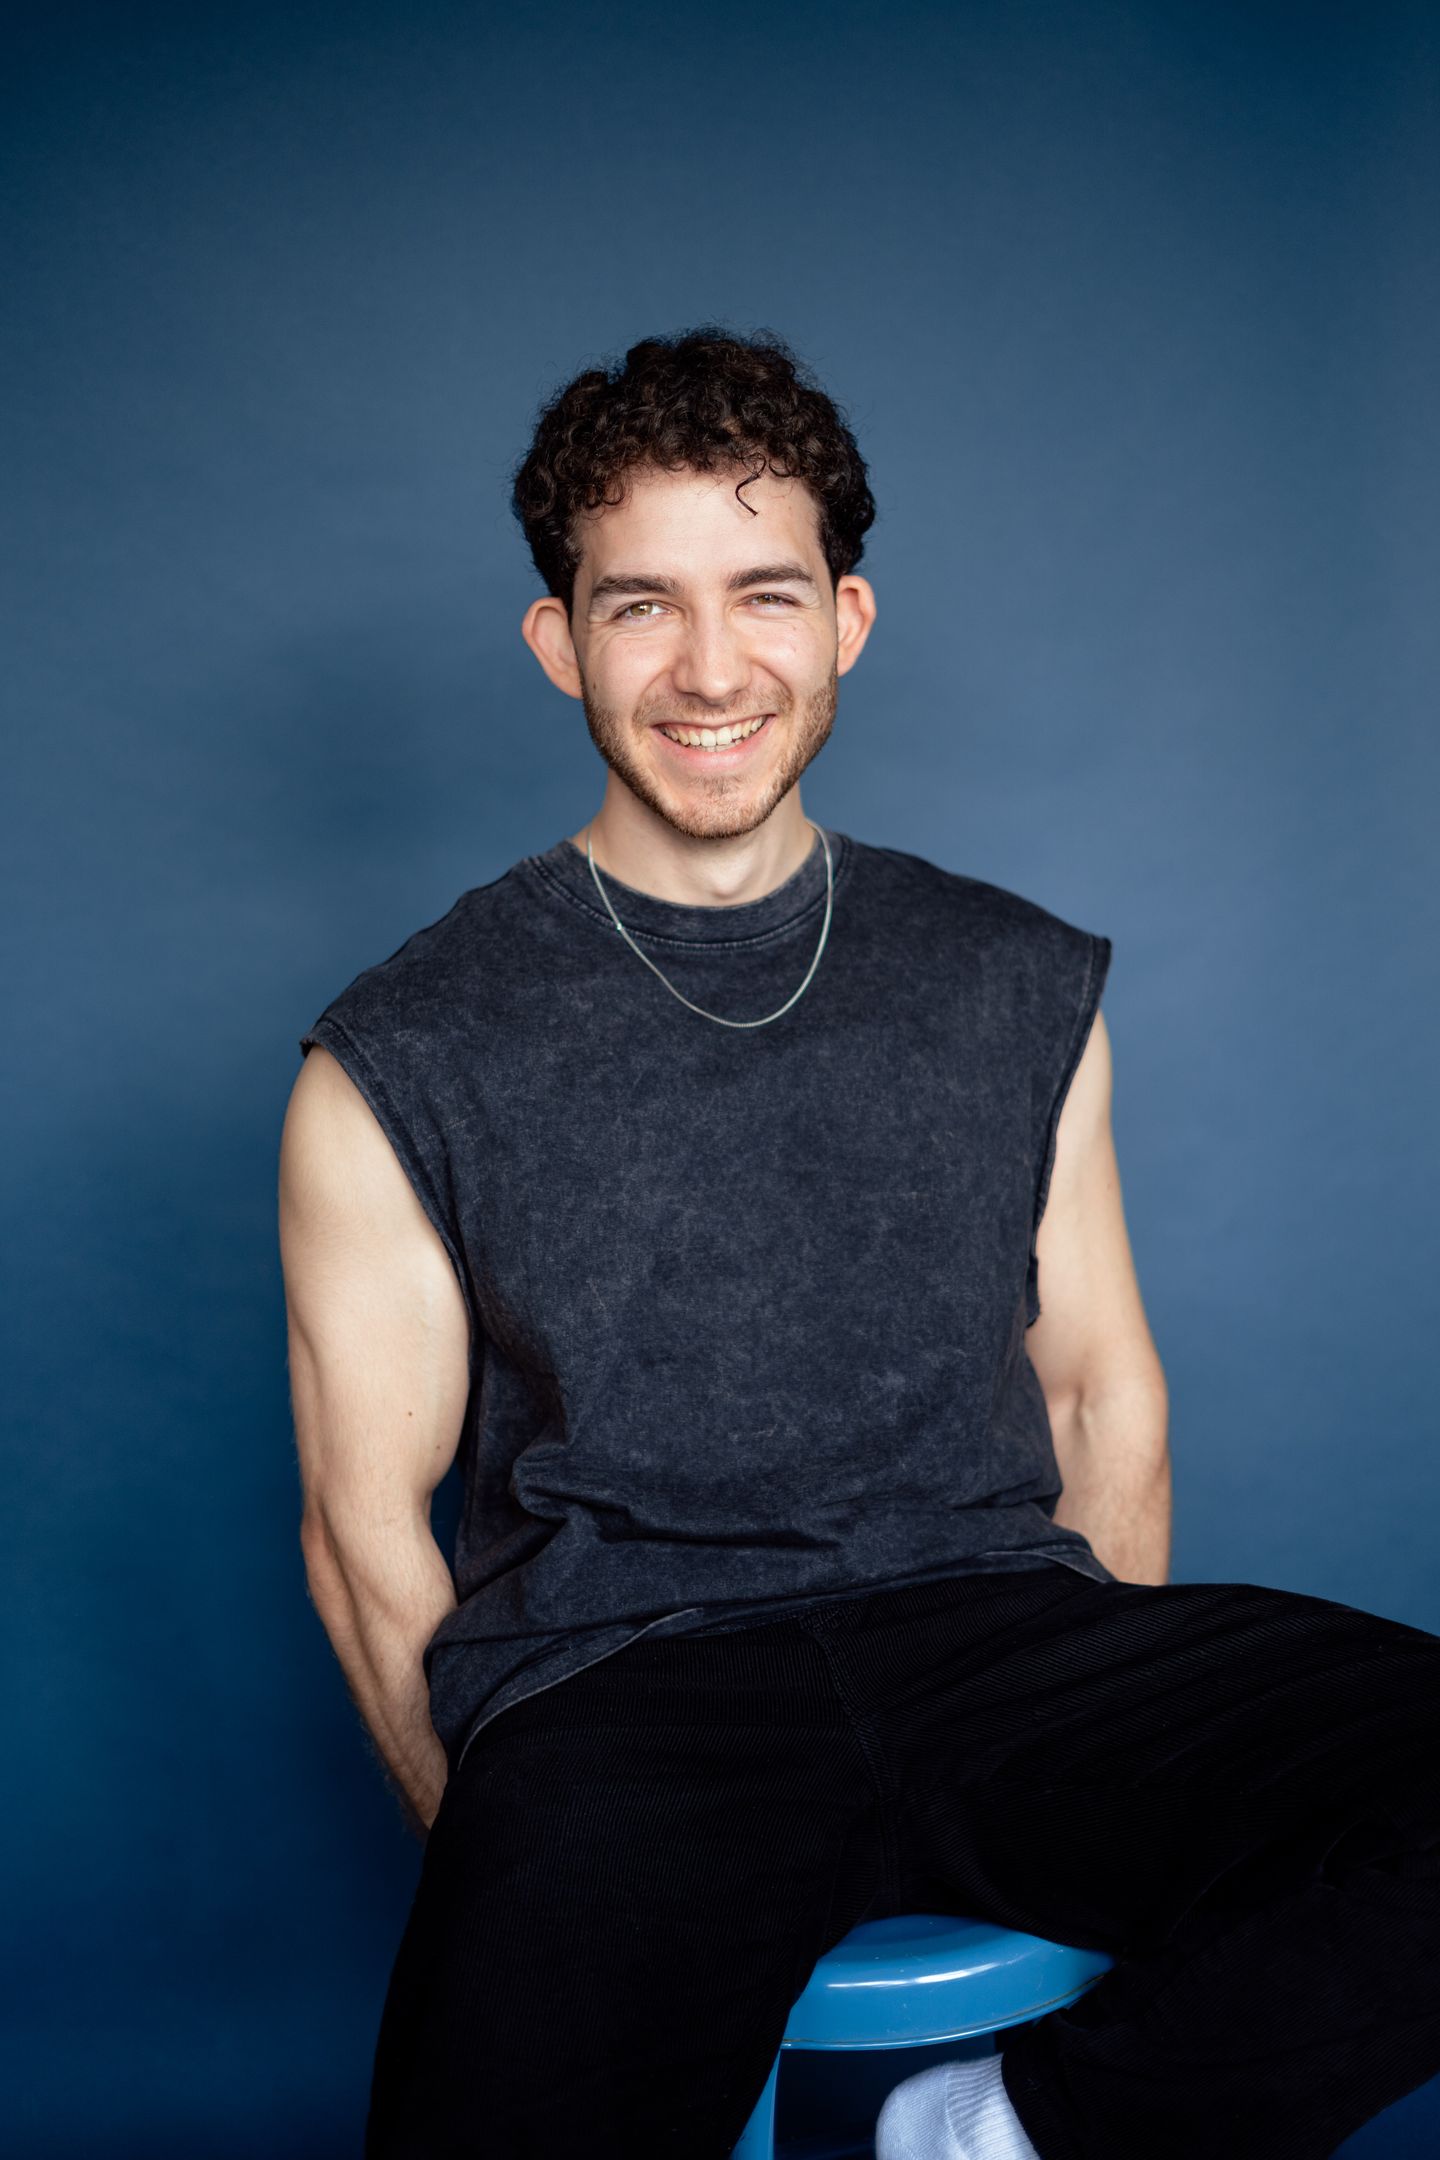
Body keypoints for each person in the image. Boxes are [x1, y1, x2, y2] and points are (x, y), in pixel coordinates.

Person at [277, 327, 1440, 2160]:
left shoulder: (1012, 978)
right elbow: (364, 1538)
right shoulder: (401, 1051)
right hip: (623, 1700)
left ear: (847, 620)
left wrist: (1099, 1772)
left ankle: (1002, 2133)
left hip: (1005, 1642)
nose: (710, 667)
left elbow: (1100, 1392)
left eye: (765, 594)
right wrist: (497, 1845)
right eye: (641, 605)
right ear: (559, 642)